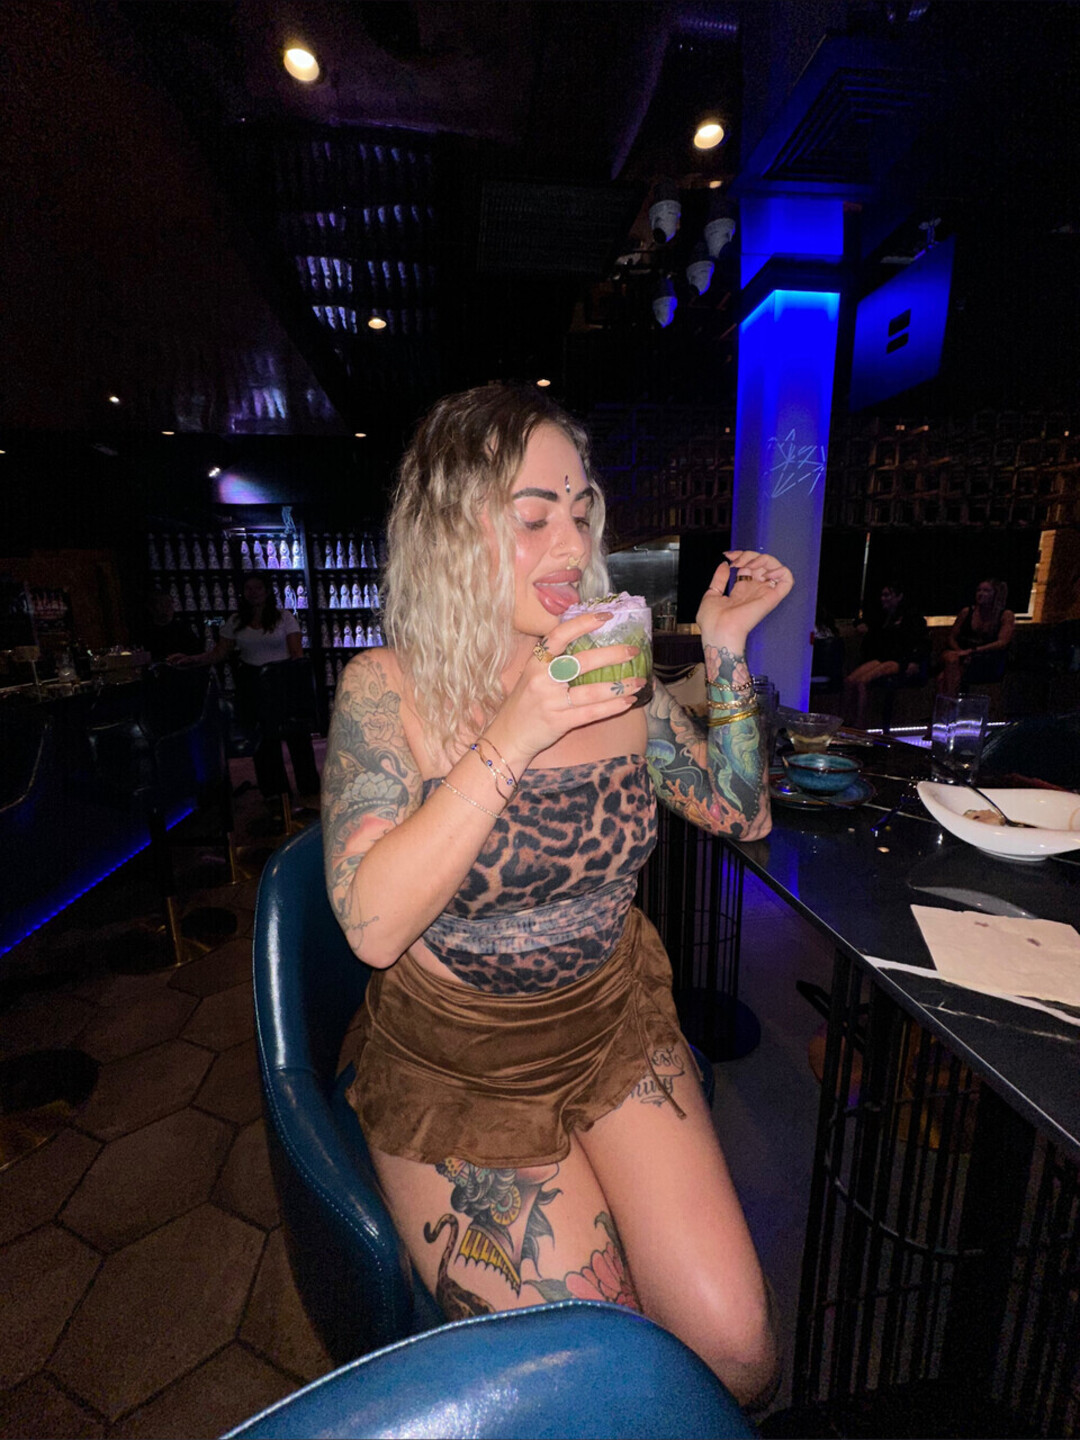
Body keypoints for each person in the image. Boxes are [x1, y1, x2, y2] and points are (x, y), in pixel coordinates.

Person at [321, 384, 791, 1407]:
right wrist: (520, 726)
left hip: (613, 1023)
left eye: (581, 513)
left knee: (740, 1351)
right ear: (451, 530)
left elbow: (740, 811)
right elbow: (371, 924)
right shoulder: (386, 688)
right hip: (458, 1066)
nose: (573, 544)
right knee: (606, 1384)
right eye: (534, 517)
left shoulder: (613, 672)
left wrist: (724, 648)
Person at [178, 575, 320, 810]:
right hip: (253, 685)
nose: (253, 592)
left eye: (258, 587)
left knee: (297, 737)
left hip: (282, 682)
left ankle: (309, 789)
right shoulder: (235, 621)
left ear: (267, 591)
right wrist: (192, 660)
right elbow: (219, 653)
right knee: (263, 740)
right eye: (249, 588)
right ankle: (275, 794)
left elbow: (297, 653)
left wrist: (297, 685)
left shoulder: (284, 617)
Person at [841, 580, 929, 728]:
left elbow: (922, 643)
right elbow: (862, 621)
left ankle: (859, 724)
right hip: (883, 657)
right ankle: (845, 721)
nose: (883, 599)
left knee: (862, 682)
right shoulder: (883, 616)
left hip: (901, 660)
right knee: (849, 680)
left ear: (899, 597)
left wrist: (915, 661)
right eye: (882, 595)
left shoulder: (912, 618)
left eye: (888, 595)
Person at [937, 578, 1015, 699]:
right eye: (979, 590)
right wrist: (960, 651)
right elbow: (952, 637)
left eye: (986, 591)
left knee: (943, 678)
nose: (980, 594)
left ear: (995, 594)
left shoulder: (1005, 615)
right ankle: (951, 706)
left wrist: (973, 651)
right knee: (952, 658)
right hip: (959, 653)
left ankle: (948, 706)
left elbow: (1002, 642)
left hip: (984, 656)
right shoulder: (966, 612)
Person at [142, 588, 204, 663]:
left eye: (169, 603)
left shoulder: (183, 629)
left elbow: (196, 653)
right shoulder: (146, 632)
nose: (167, 607)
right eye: (162, 604)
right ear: (152, 607)